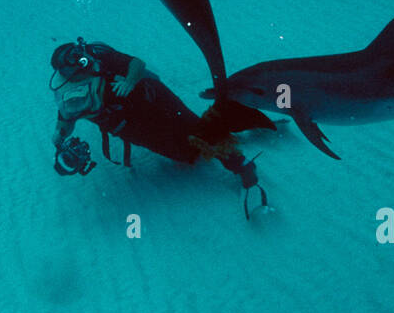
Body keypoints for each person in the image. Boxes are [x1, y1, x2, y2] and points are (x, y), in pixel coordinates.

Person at [49, 38, 270, 217]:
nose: (83, 60)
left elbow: (136, 64)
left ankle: (243, 166)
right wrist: (59, 139)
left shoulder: (98, 53)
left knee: (197, 132)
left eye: (79, 54)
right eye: (75, 61)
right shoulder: (69, 94)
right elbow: (65, 120)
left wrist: (129, 81)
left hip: (155, 98)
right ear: (66, 71)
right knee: (187, 155)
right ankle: (227, 128)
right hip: (132, 127)